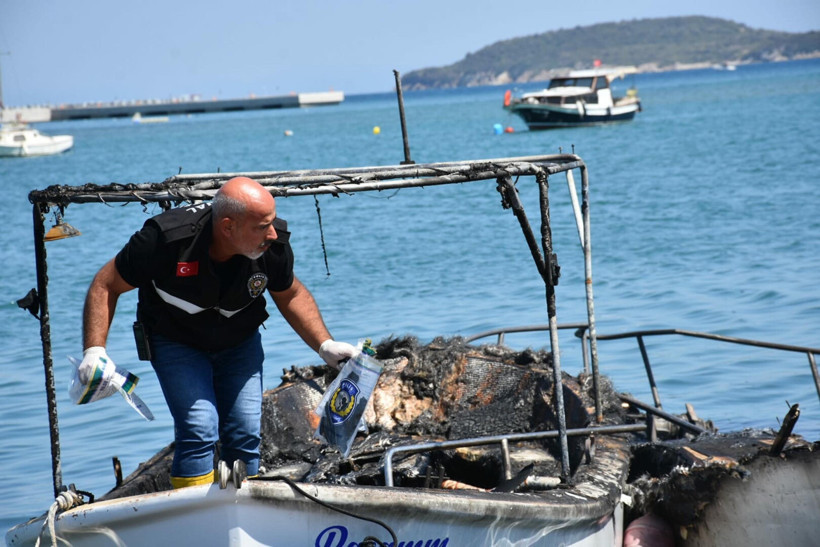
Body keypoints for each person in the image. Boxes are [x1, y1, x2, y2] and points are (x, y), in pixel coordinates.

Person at [80, 176, 358, 488]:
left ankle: (243, 513)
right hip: (175, 341)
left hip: (239, 342)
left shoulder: (273, 245)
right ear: (227, 227)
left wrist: (325, 345)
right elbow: (106, 284)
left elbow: (289, 293)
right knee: (199, 428)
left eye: (272, 222)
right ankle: (192, 519)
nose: (271, 233)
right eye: (261, 226)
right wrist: (95, 351)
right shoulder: (165, 240)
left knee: (244, 431)